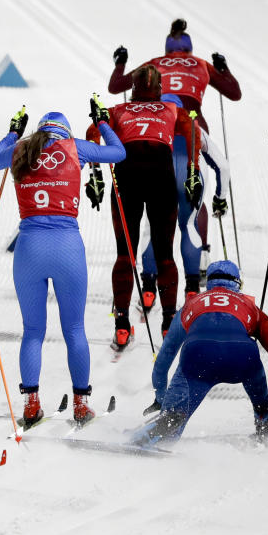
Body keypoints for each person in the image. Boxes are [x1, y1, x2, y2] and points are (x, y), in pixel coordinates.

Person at [0, 102, 126, 429]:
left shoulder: (22, 149)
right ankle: (81, 404)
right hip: (67, 246)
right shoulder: (75, 147)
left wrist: (13, 132)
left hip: (29, 247)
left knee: (33, 331)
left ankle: (31, 405)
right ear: (65, 132)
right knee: (74, 329)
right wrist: (103, 123)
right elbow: (119, 153)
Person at [134, 261, 268, 446]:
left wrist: (160, 397)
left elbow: (164, 358)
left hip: (198, 357)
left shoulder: (191, 304)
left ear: (208, 283)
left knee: (174, 409)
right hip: (241, 357)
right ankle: (264, 418)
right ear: (237, 283)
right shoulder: (252, 308)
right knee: (254, 365)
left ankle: (168, 419)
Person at [102, 65, 201, 346]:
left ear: (133, 90)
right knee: (165, 256)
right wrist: (193, 169)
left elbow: (92, 129)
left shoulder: (118, 110)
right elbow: (193, 132)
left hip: (127, 177)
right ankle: (169, 323)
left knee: (125, 255)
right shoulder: (172, 109)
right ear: (159, 89)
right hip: (161, 178)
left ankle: (122, 323)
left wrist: (96, 172)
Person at [132, 96, 231, 306]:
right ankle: (192, 289)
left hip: (158, 176)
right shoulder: (193, 125)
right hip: (189, 176)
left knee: (151, 227)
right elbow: (222, 165)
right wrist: (220, 198)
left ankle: (149, 288)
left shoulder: (150, 125)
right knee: (188, 225)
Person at [107, 18, 242, 133]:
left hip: (160, 123)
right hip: (195, 123)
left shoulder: (155, 63)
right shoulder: (201, 64)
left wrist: (120, 63)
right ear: (190, 49)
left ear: (167, 50)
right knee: (200, 156)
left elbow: (115, 86)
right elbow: (235, 93)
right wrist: (223, 68)